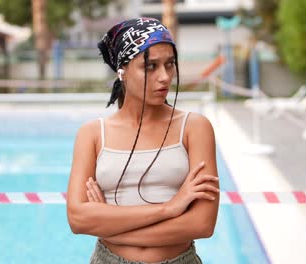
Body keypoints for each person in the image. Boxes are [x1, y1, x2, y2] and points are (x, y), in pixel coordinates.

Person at [66, 17, 219, 264]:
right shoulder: (92, 134)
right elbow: (78, 219)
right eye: (150, 67)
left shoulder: (194, 128)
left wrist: (108, 223)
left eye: (169, 65)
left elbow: (202, 224)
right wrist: (169, 208)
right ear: (122, 71)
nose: (164, 77)